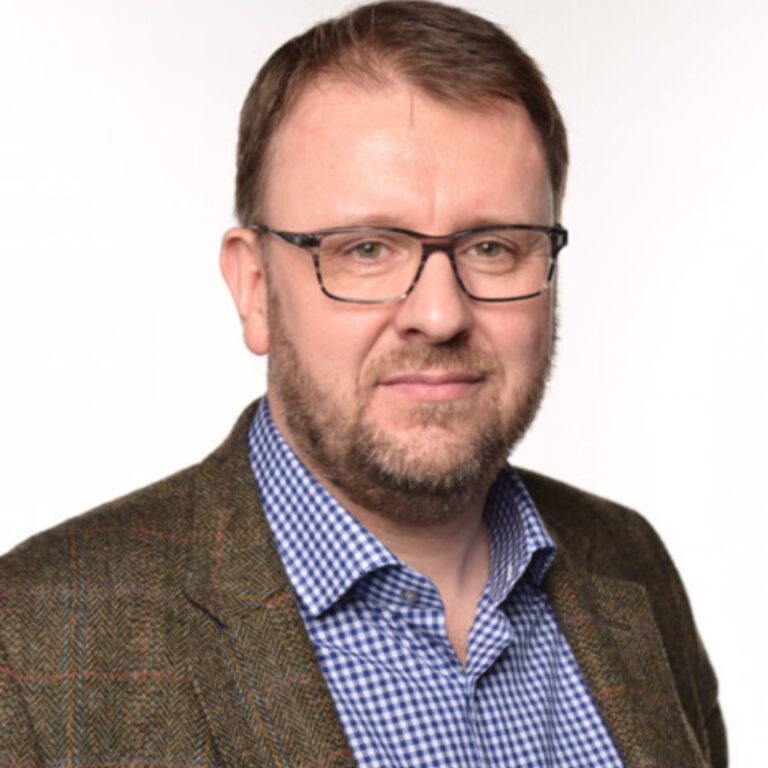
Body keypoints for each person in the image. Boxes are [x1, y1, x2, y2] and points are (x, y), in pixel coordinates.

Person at [0, 1, 725, 765]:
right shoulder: (34, 647)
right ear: (254, 288)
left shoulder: (629, 563)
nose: (440, 315)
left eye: (493, 247)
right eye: (368, 249)